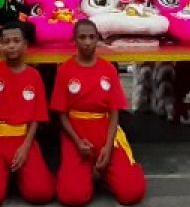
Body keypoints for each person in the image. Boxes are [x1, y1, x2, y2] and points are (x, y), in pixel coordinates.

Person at [50, 20, 145, 207]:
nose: (87, 42)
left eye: (92, 37)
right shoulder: (64, 70)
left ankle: (108, 173)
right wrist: (77, 142)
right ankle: (87, 174)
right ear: (74, 40)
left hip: (105, 132)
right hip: (76, 136)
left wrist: (108, 146)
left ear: (97, 40)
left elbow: (115, 111)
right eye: (82, 37)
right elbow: (61, 113)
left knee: (132, 193)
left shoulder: (108, 69)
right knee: (72, 197)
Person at [0, 23, 55, 206]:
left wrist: (25, 147)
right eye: (6, 41)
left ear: (25, 45)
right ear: (1, 44)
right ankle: (4, 179)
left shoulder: (34, 75)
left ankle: (22, 177)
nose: (11, 45)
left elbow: (37, 118)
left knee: (41, 194)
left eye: (16, 41)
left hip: (24, 139)